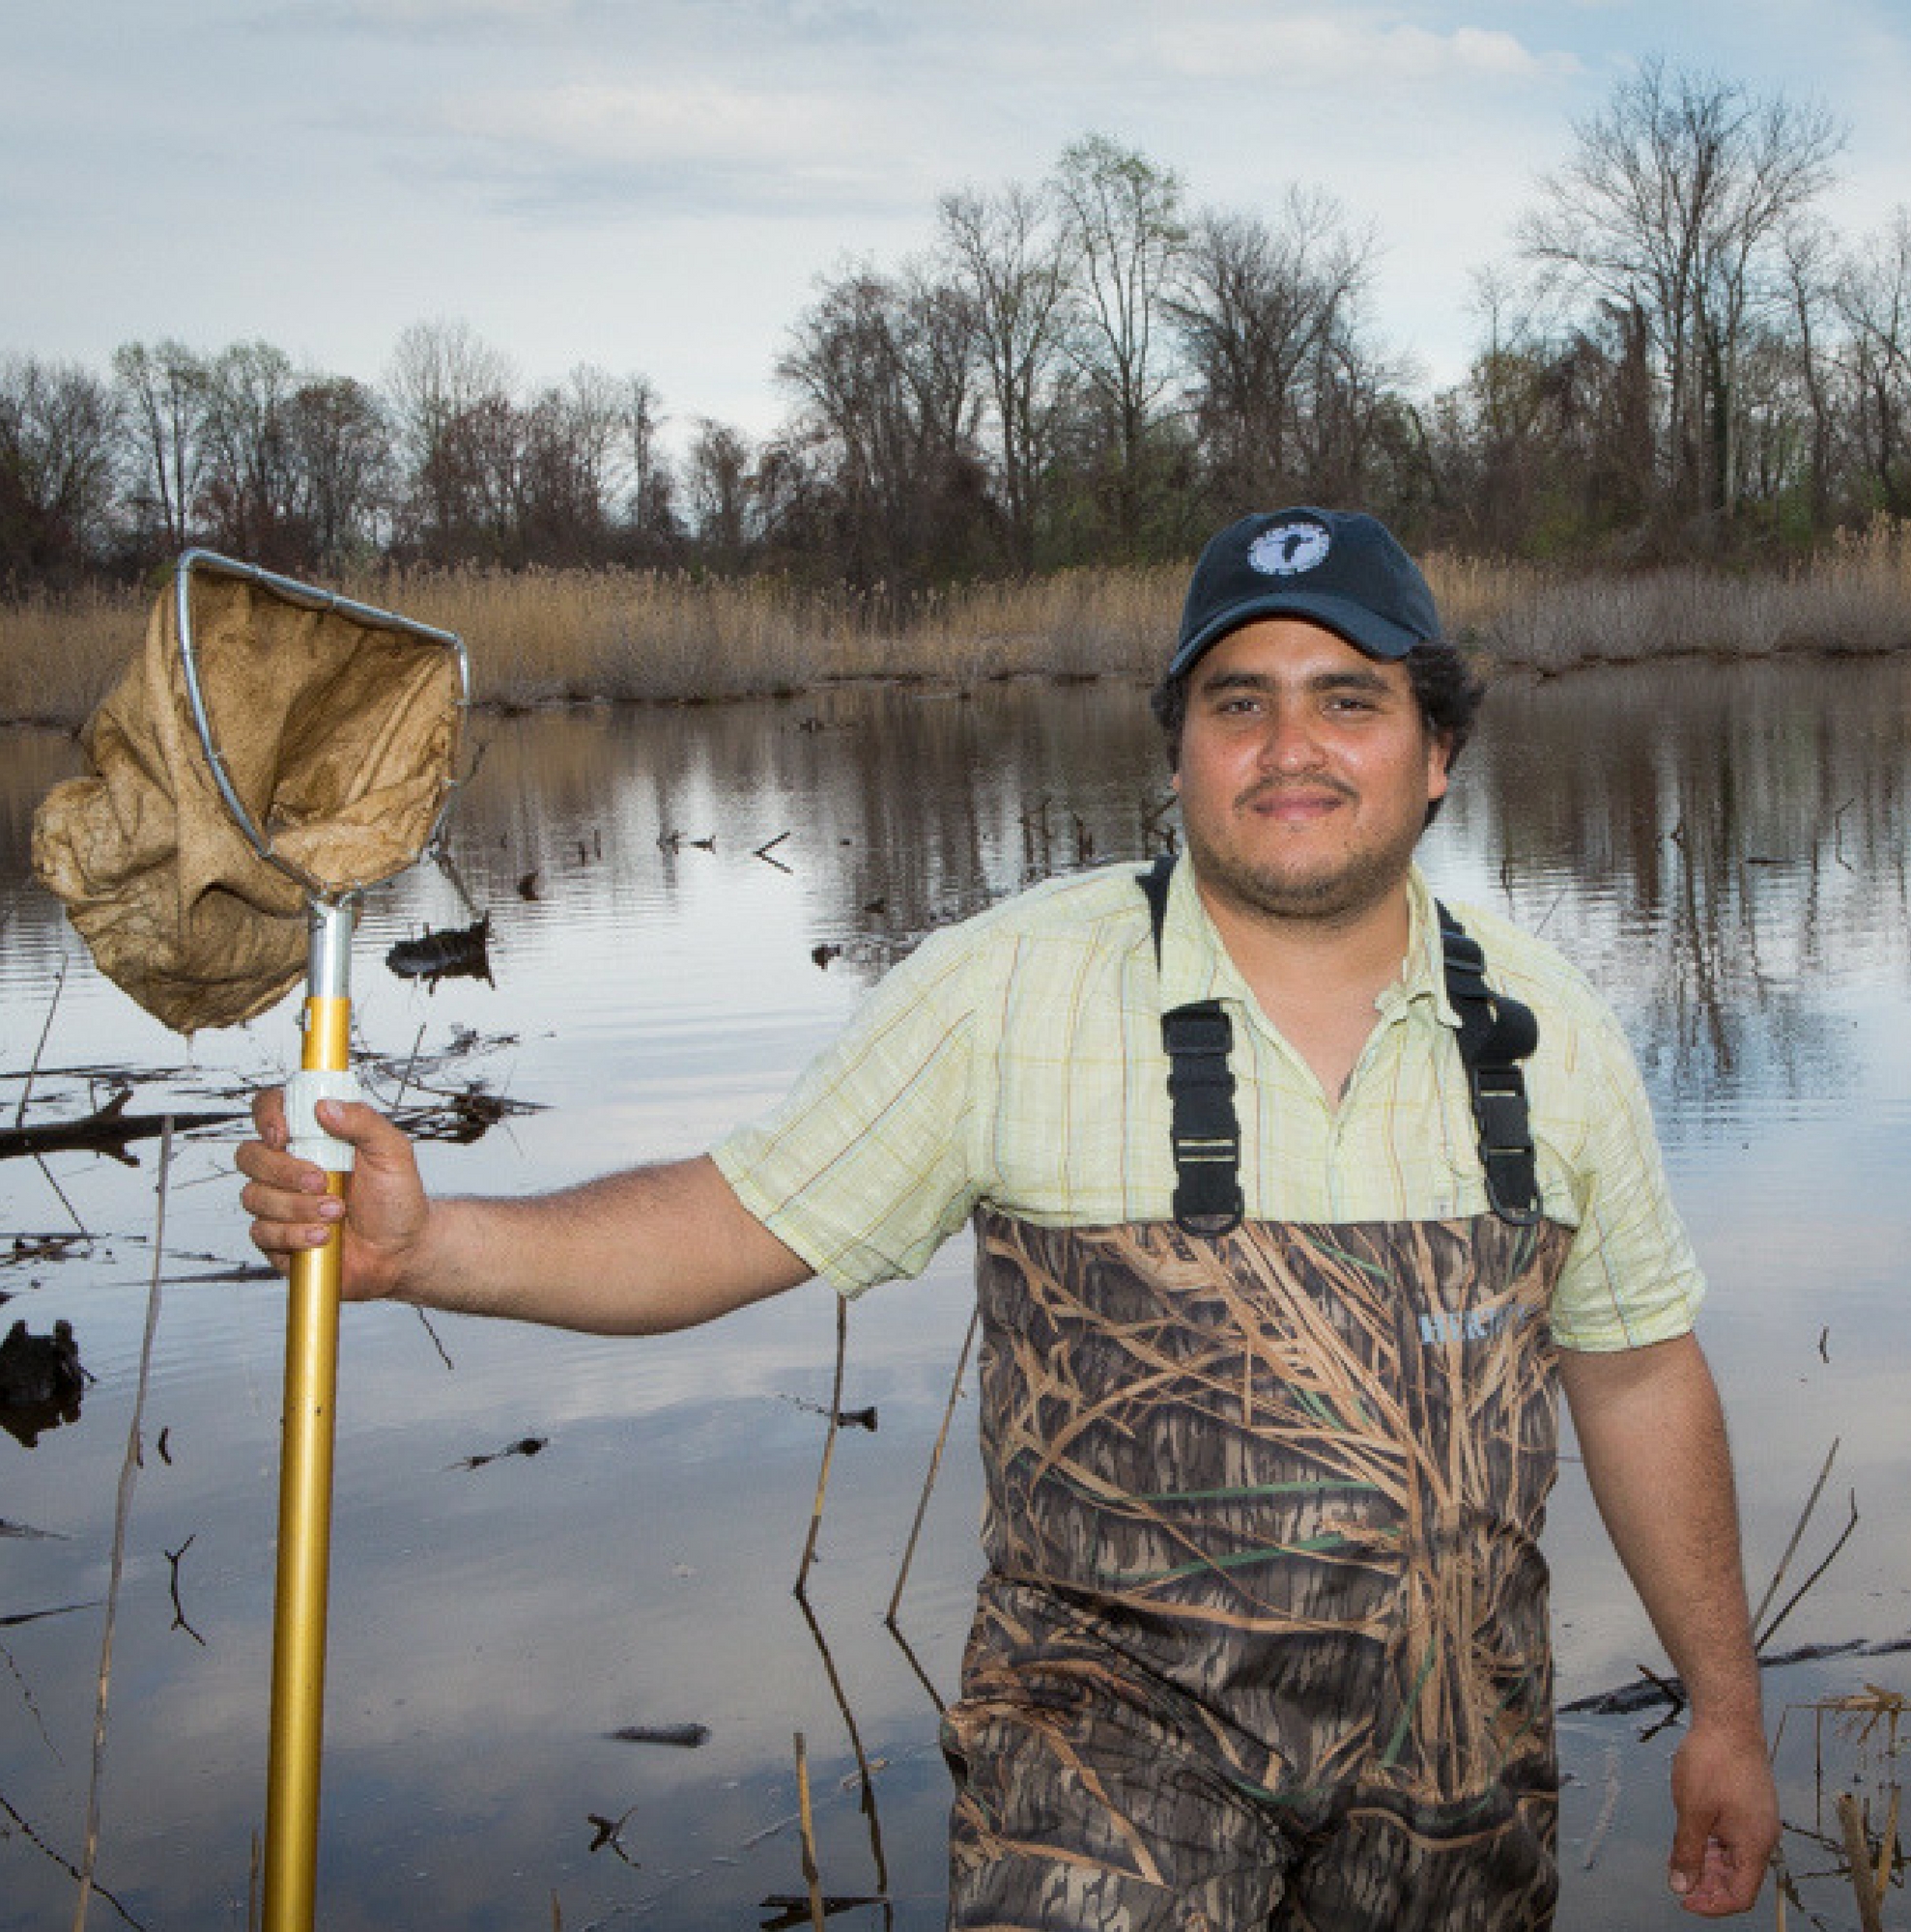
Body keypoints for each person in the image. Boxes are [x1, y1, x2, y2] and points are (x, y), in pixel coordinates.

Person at [238, 507, 1780, 1929]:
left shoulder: (1552, 1028)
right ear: (1176, 753)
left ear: (1437, 750)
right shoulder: (1008, 991)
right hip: (1107, 1777)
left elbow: (1638, 1374)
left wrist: (1724, 1709)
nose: (1289, 745)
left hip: (1459, 1788)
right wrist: (432, 1248)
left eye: (1349, 698)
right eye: (1236, 702)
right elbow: (731, 1218)